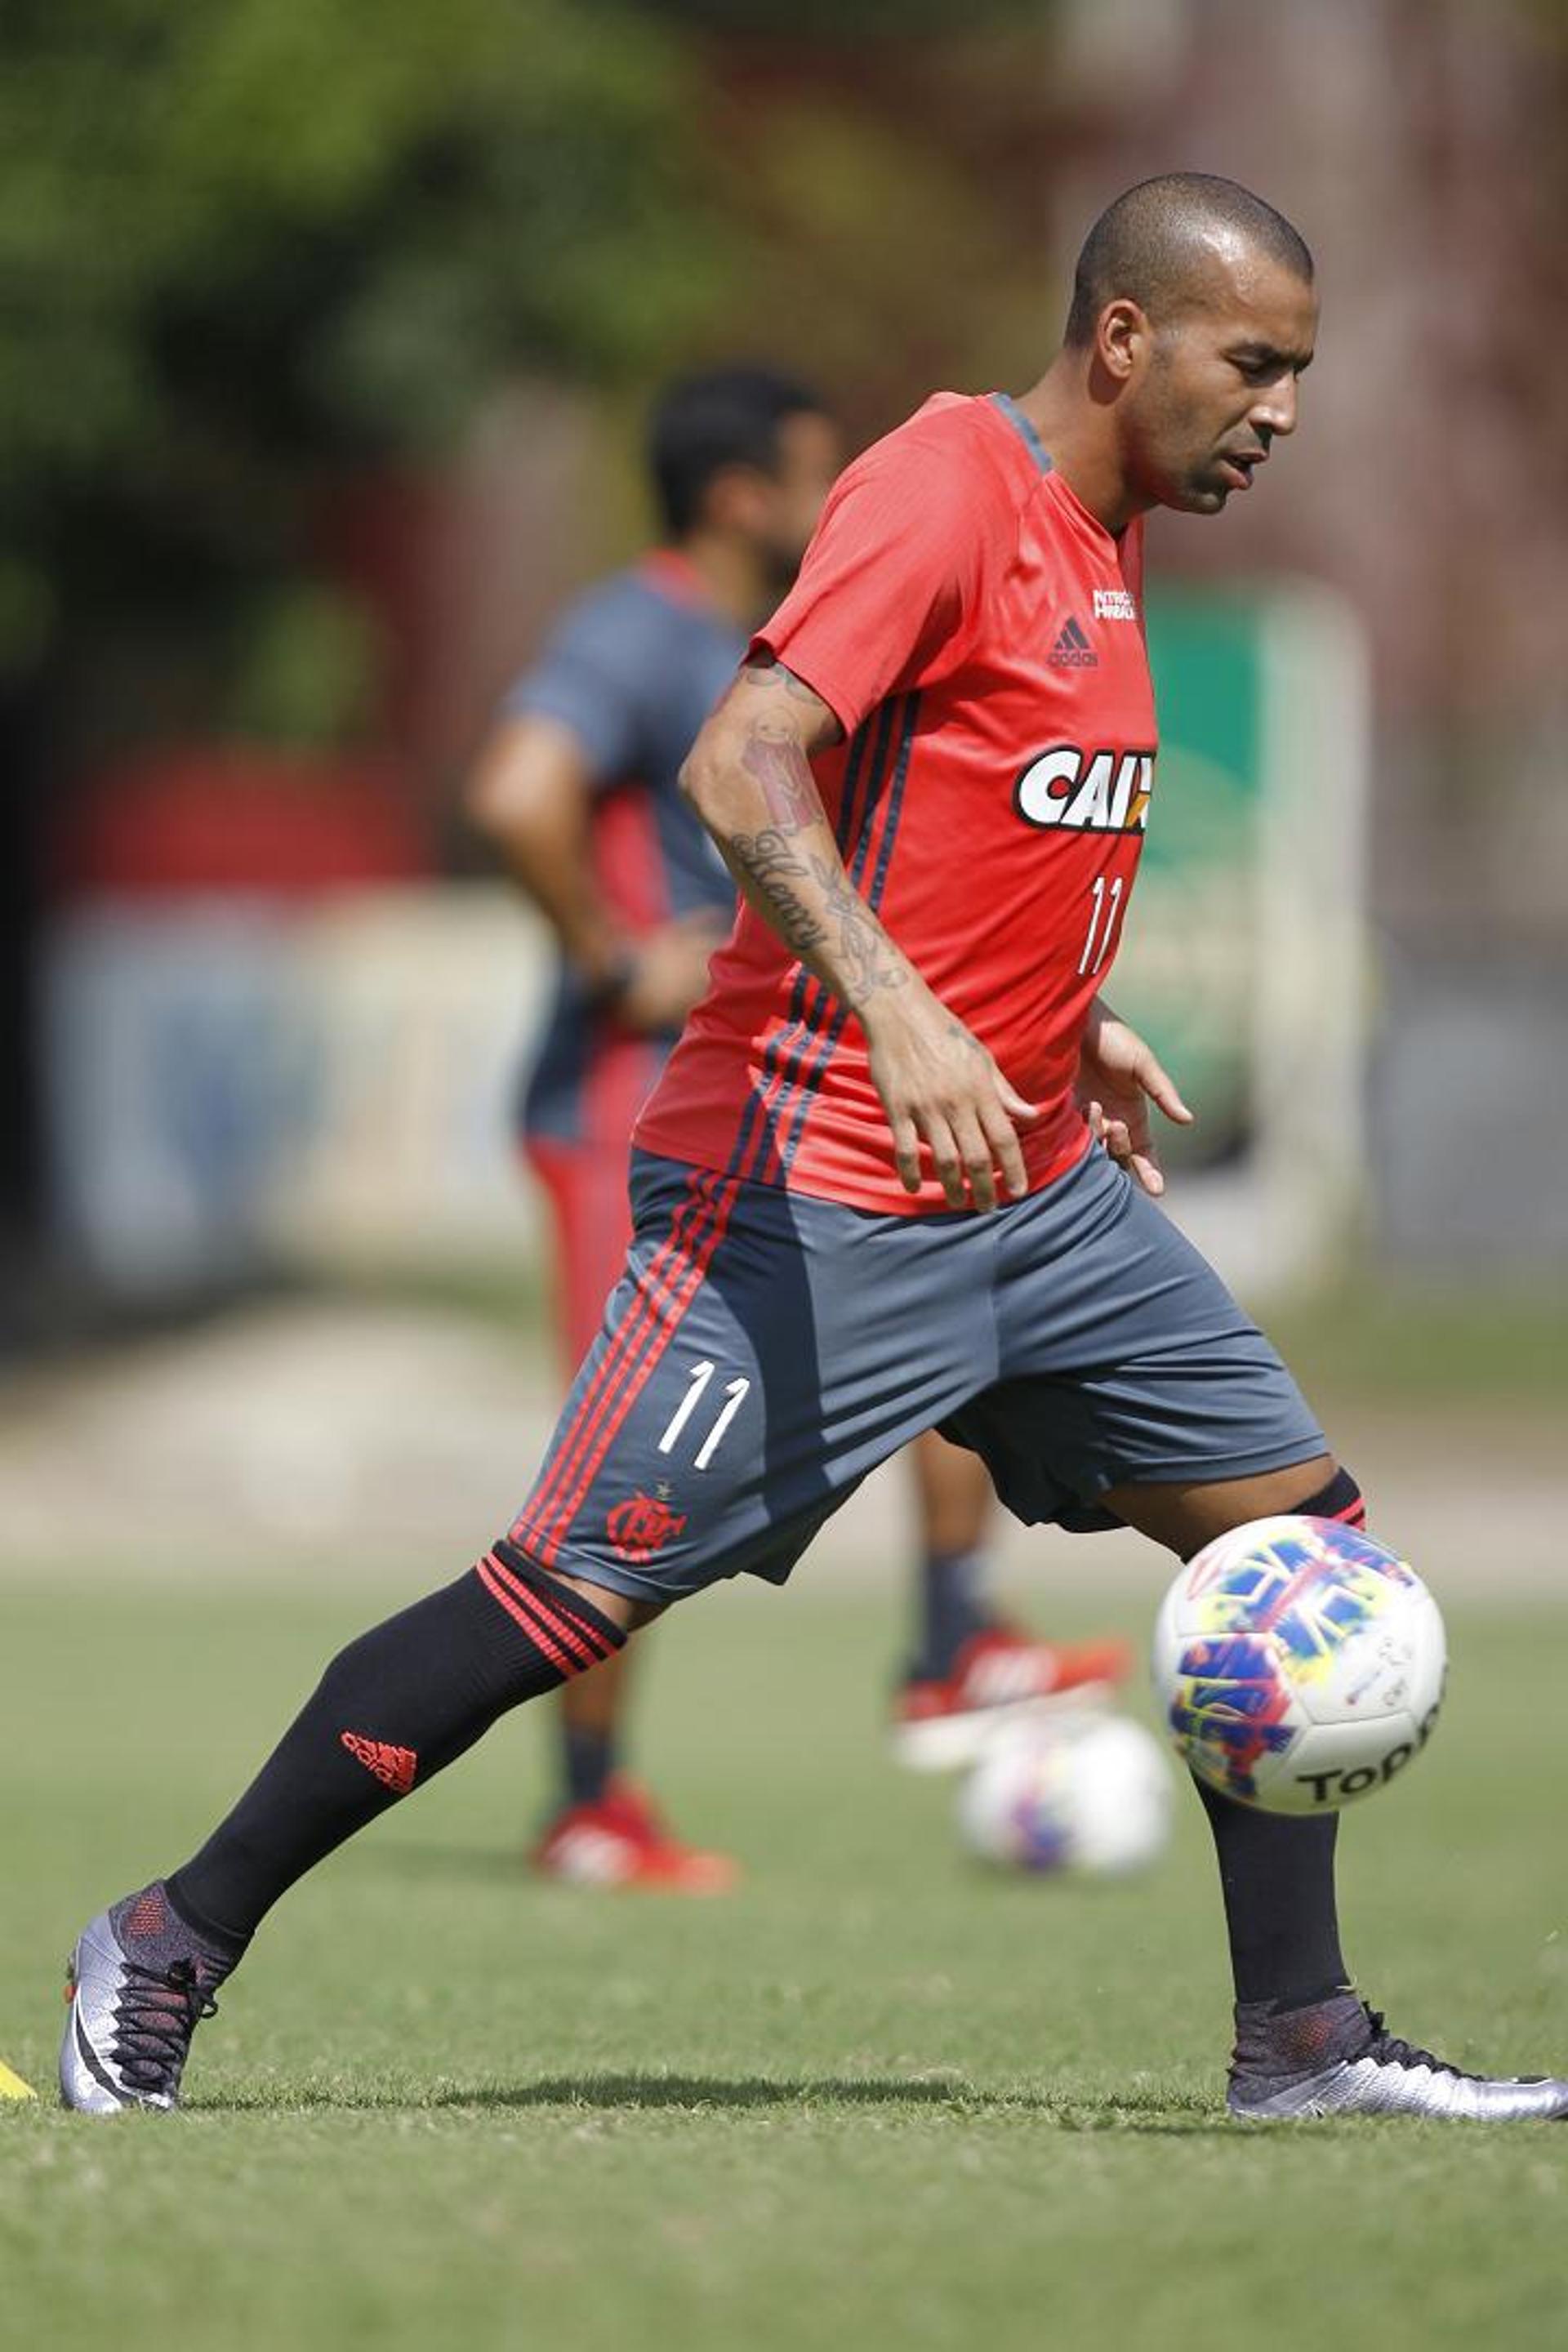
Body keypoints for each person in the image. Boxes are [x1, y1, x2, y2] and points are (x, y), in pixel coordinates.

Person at [60, 173, 1567, 2121]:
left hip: (1036, 1195)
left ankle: (1301, 2041)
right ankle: (166, 1939)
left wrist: (1054, 1020)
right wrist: (913, 1013)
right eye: (1253, 363)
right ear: (1127, 337)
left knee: (1293, 1546)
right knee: (565, 1599)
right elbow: (738, 760)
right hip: (810, 1186)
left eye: (1298, 373)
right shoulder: (945, 485)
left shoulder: (1109, 540)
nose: (1281, 409)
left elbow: (979, 820)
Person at [466, 369, 1129, 1885]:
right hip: (633, 1099)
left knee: (963, 1293)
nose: (848, 501)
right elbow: (517, 793)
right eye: (820, 474)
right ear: (738, 496)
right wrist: (605, 955)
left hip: (805, 1075)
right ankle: (587, 1801)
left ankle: (955, 1642)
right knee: (621, 1473)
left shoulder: (821, 625)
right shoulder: (636, 631)